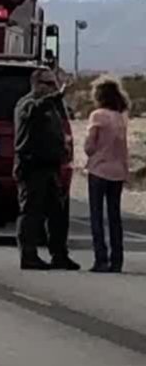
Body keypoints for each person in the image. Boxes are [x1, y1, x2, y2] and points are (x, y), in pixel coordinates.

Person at [14, 67, 79, 271]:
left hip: (51, 167)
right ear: (36, 84)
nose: (52, 87)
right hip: (32, 165)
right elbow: (34, 111)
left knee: (57, 213)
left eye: (54, 83)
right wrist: (56, 96)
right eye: (48, 84)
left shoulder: (52, 107)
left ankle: (59, 254)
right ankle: (29, 255)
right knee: (31, 212)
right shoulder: (27, 104)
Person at [85, 76, 131, 273]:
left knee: (97, 216)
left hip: (99, 169)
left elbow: (89, 146)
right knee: (114, 217)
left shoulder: (97, 116)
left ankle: (100, 259)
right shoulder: (120, 117)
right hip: (118, 170)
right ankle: (117, 259)